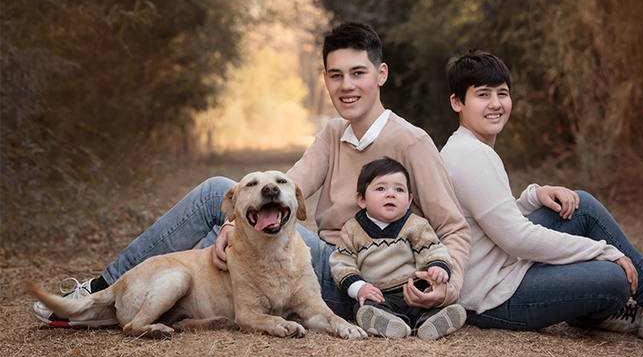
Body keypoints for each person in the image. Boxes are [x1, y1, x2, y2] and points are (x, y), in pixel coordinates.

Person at [33, 22, 471, 327]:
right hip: (307, 264)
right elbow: (282, 188)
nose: (346, 86)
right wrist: (232, 223)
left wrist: (446, 284)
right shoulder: (332, 133)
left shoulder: (411, 141)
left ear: (381, 74)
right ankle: (105, 297)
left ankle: (96, 296)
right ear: (325, 79)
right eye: (336, 75)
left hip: (354, 275)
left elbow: (454, 228)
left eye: (358, 73)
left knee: (215, 191)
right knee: (220, 215)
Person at [439, 49, 643, 344]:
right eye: (483, 95)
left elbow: (492, 218)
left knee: (581, 205)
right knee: (614, 279)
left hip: (498, 272)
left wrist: (535, 195)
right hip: (491, 298)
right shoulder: (471, 156)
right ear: (457, 102)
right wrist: (604, 250)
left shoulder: (466, 147)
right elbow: (516, 238)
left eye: (502, 93)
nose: (496, 104)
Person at [329, 157, 466, 340]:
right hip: (379, 294)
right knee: (364, 306)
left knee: (429, 303)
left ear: (409, 200)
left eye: (399, 189)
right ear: (361, 199)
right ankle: (391, 323)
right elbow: (341, 262)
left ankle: (431, 323)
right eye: (380, 188)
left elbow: (433, 249)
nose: (391, 194)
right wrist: (359, 287)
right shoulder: (352, 229)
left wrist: (438, 267)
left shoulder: (416, 225)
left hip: (414, 290)